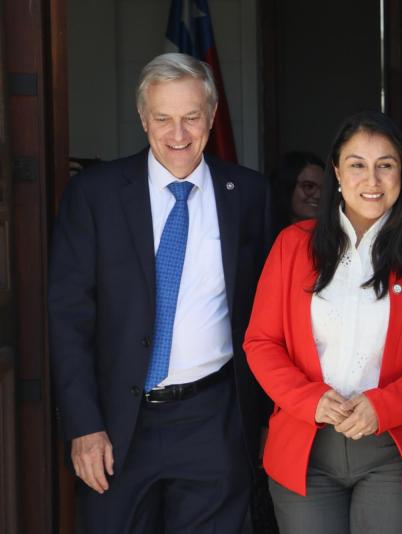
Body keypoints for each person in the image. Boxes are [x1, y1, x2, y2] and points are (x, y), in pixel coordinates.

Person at [48, 53, 274, 533]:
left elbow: (270, 313)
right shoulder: (95, 195)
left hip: (213, 420)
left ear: (212, 115)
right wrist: (84, 425)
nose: (178, 134)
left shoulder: (249, 194)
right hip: (116, 424)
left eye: (191, 117)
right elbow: (69, 318)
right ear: (142, 117)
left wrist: (261, 419)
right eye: (163, 118)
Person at [244, 110, 402, 534]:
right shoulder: (293, 246)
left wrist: (384, 406)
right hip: (306, 445)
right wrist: (308, 400)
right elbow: (261, 342)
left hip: (395, 448)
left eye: (386, 165)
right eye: (357, 165)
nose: (372, 180)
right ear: (336, 171)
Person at [271, 151, 325, 228]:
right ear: (287, 187)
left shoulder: (334, 233)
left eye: (324, 188)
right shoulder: (266, 231)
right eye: (309, 186)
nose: (318, 195)